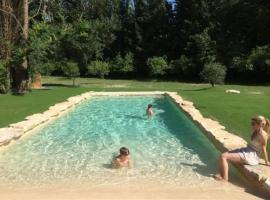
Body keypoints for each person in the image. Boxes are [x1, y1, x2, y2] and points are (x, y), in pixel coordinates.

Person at [215, 116, 270, 181]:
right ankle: (222, 174)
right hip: (247, 150)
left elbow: (264, 149)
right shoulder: (255, 130)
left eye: (253, 124)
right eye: (252, 123)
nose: (252, 125)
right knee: (223, 155)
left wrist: (266, 162)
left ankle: (225, 179)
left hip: (251, 156)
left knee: (223, 156)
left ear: (260, 125)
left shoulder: (263, 135)